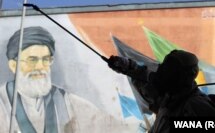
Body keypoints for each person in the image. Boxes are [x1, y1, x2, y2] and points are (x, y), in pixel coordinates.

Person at [0, 26, 130, 133]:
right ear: (13, 65)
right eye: (32, 60)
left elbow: (109, 126)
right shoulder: (2, 102)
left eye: (46, 59)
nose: (40, 67)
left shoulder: (68, 101)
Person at [108, 49, 215, 133]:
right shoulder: (170, 97)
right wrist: (128, 67)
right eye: (164, 66)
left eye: (169, 69)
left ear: (183, 77)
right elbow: (146, 82)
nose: (162, 72)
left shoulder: (196, 106)